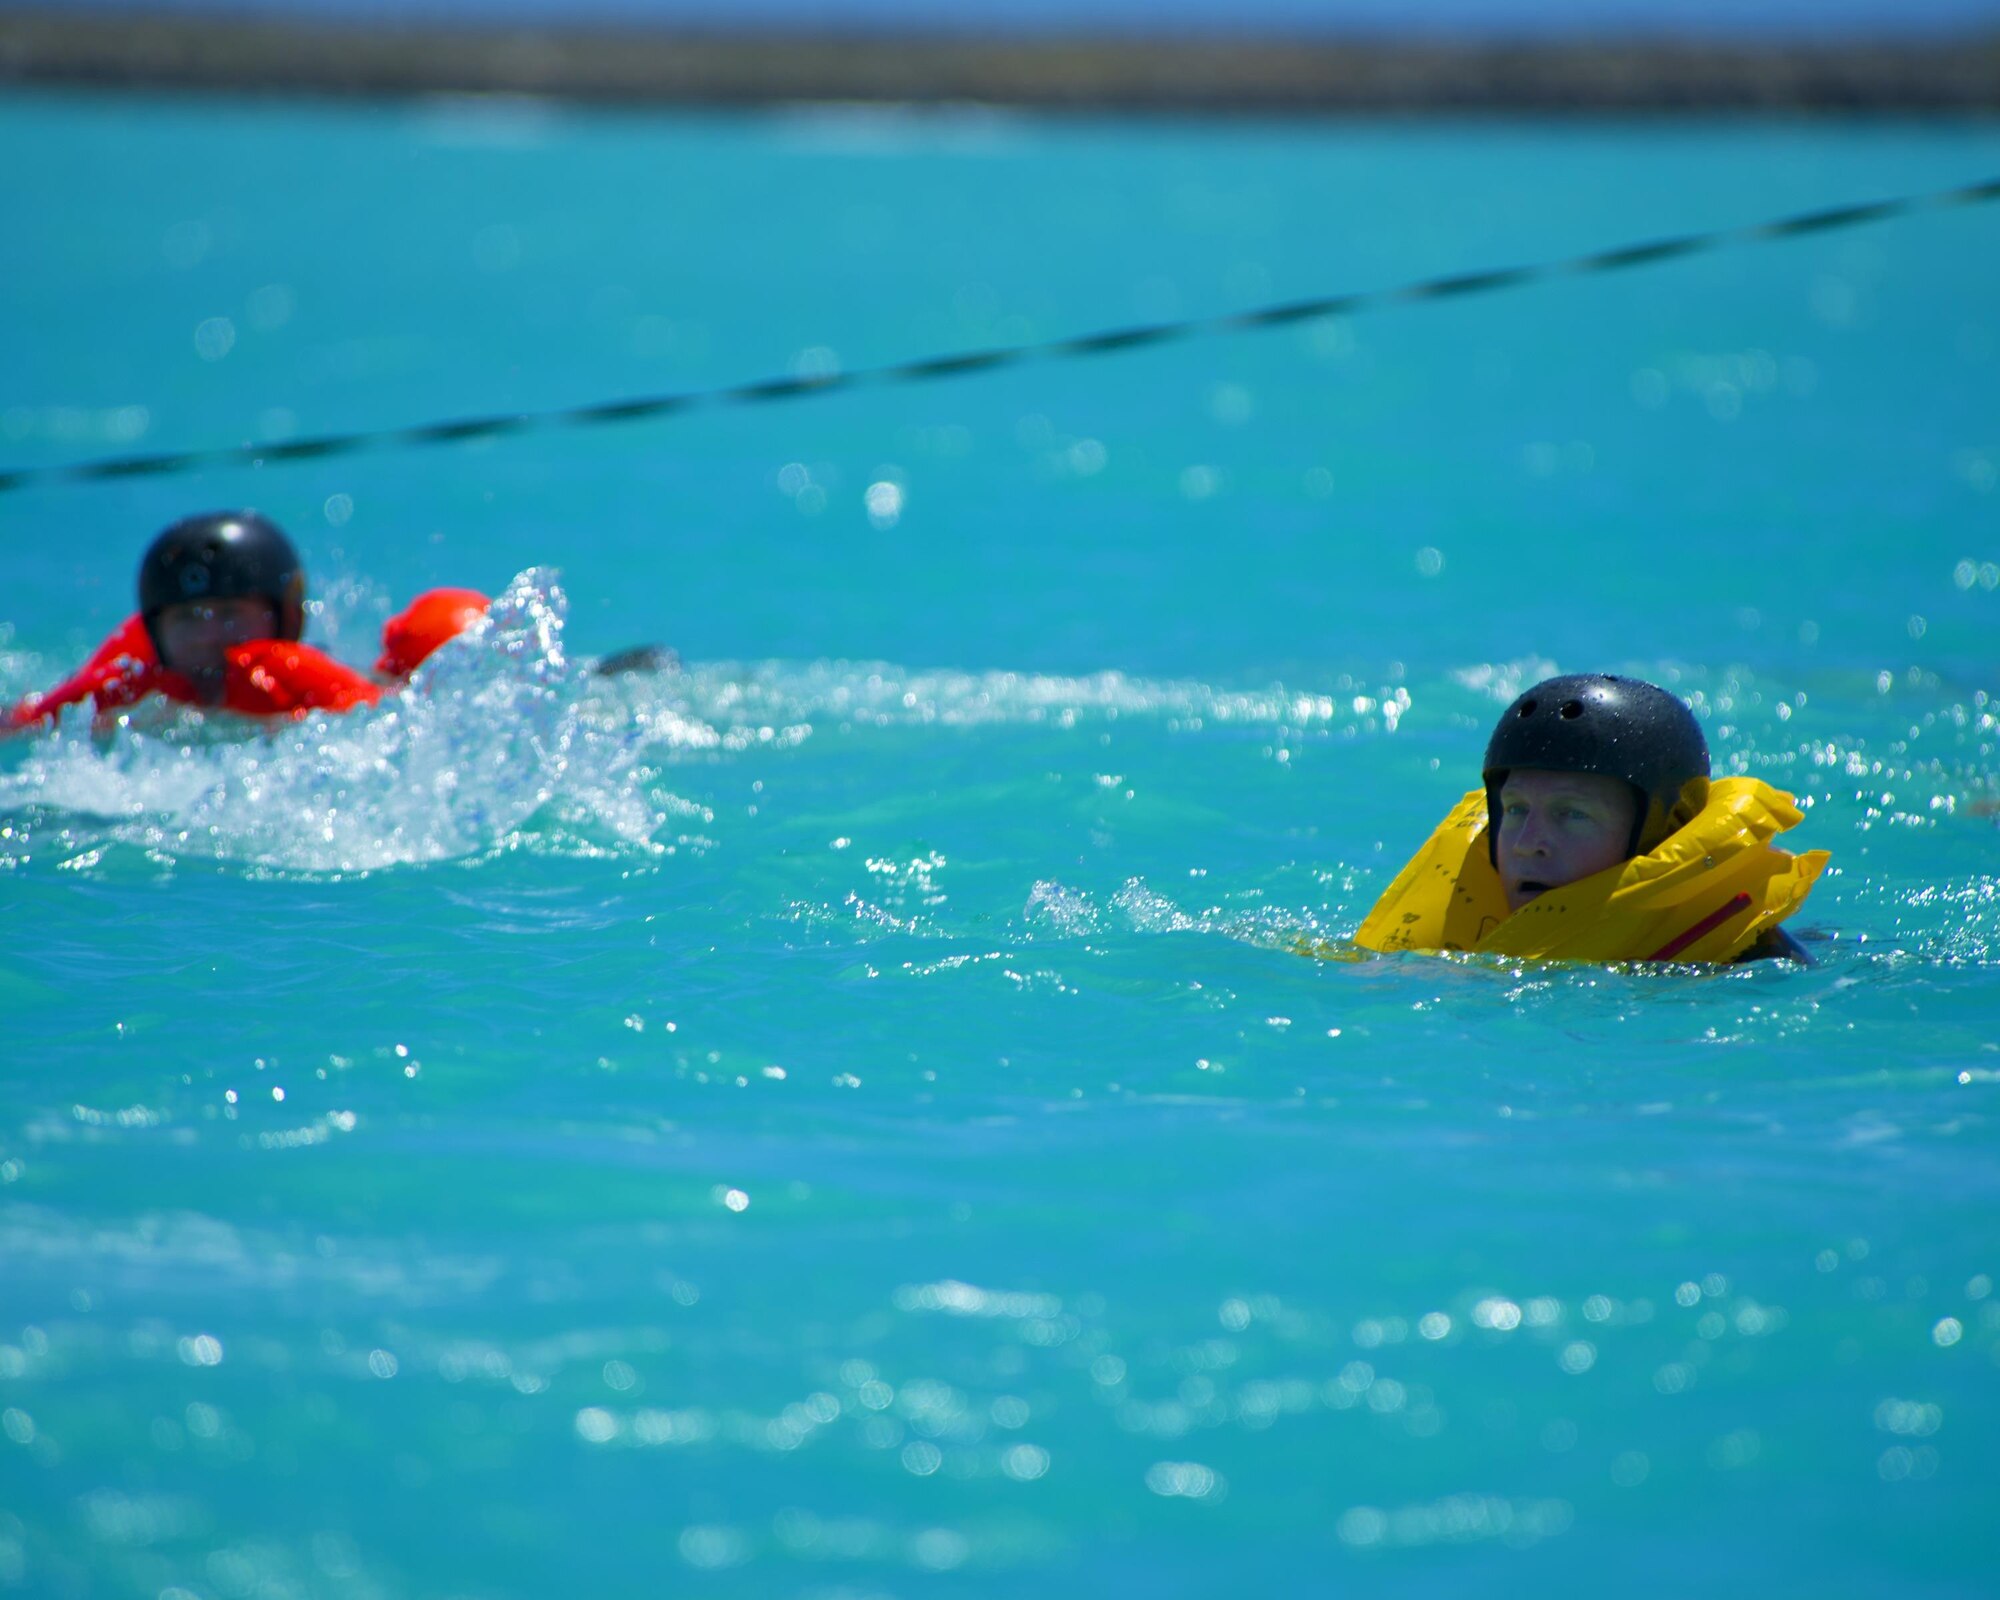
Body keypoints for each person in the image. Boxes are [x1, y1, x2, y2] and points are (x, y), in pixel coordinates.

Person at [1353, 673, 1827, 964]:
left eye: (1571, 814)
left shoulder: (1748, 966)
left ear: (1669, 828)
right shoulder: (1439, 960)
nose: (1527, 842)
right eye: (1516, 810)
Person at [5, 511, 381, 731]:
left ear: (287, 616)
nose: (208, 636)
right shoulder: (128, 700)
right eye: (186, 619)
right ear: (154, 630)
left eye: (232, 614)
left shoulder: (318, 695)